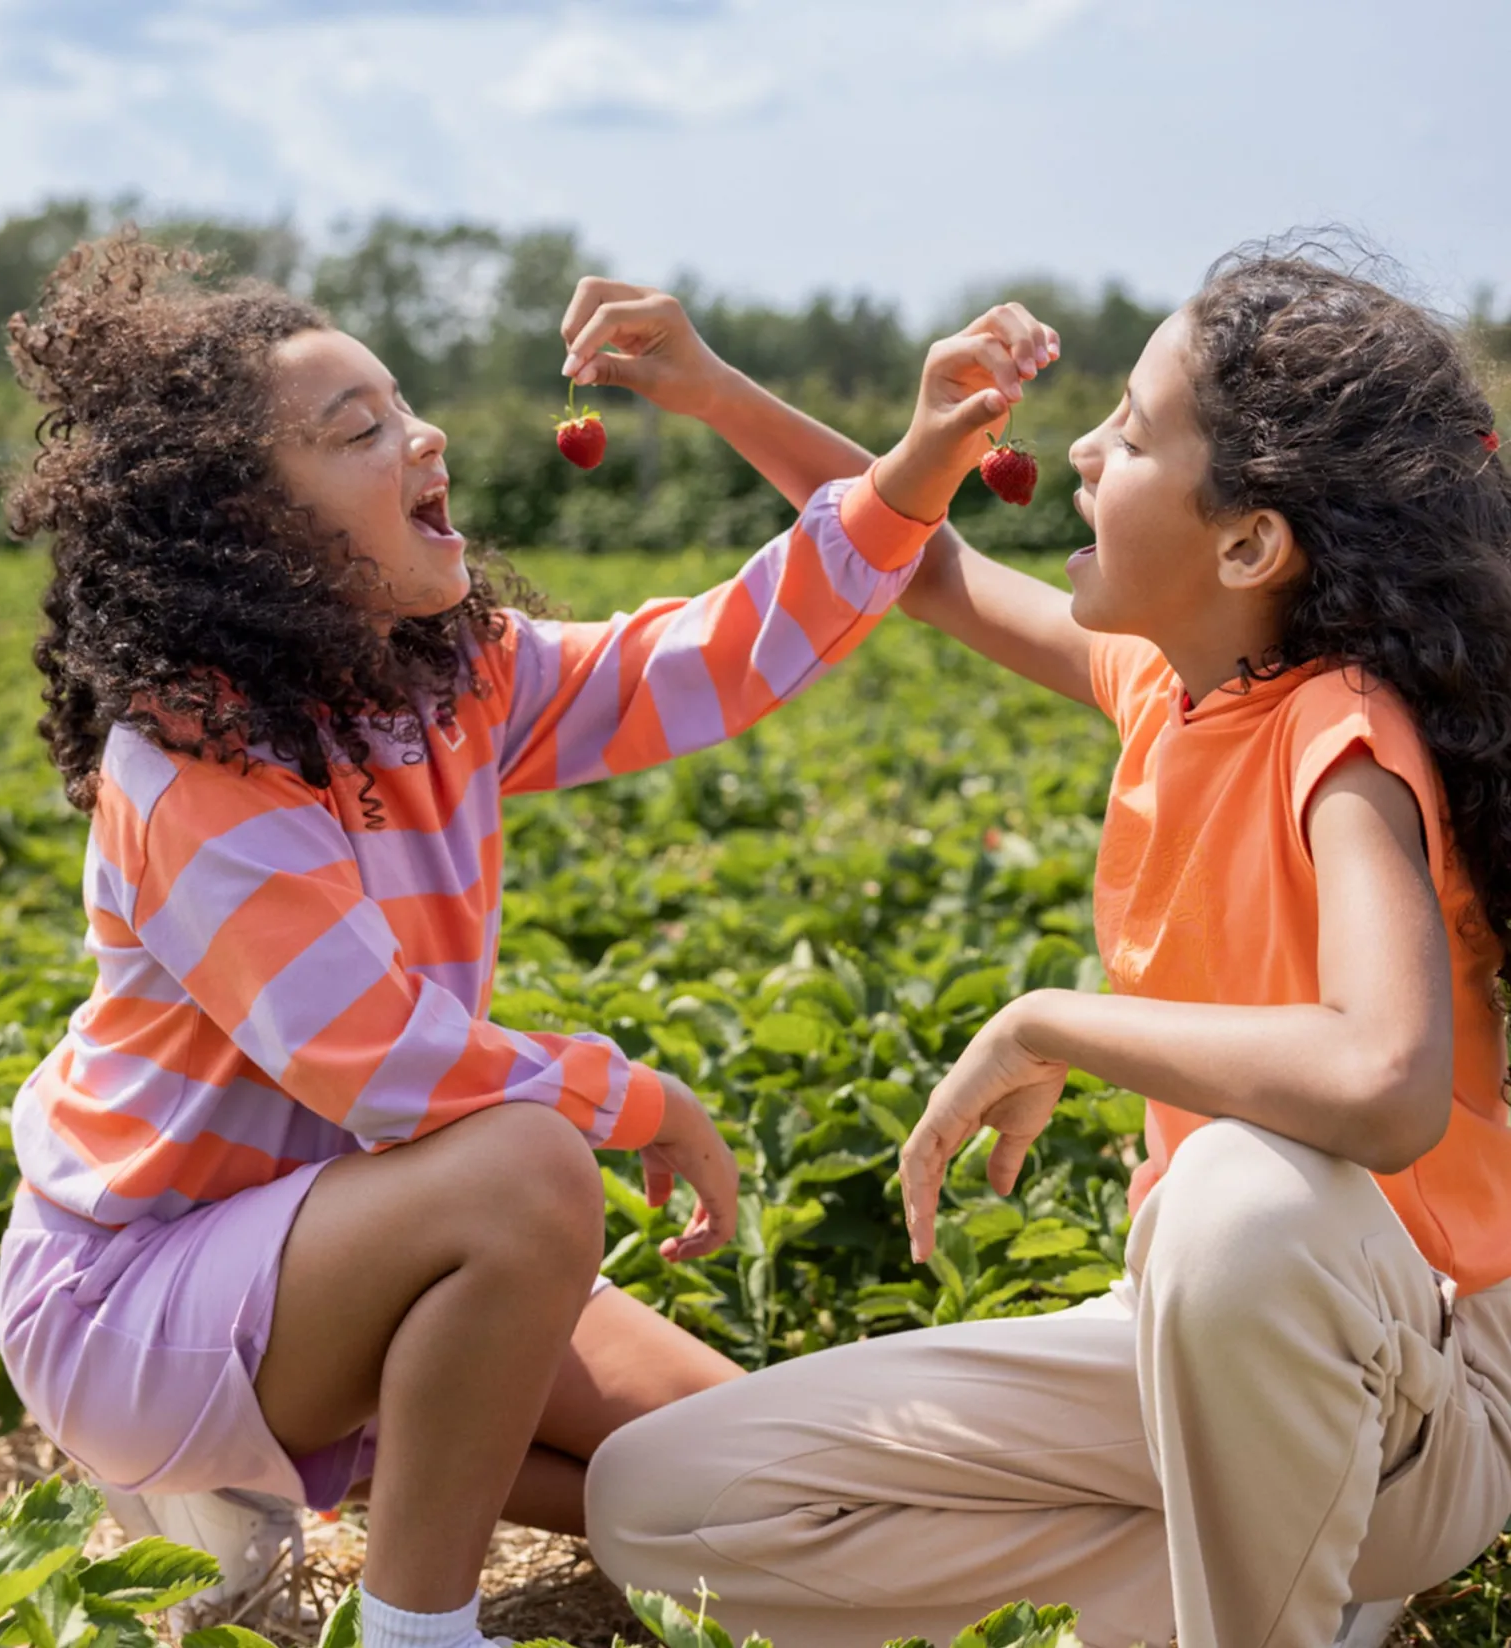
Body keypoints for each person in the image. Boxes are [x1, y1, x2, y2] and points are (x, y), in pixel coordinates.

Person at [0, 233, 1023, 1648]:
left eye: (403, 403)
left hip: (361, 1248)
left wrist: (920, 461)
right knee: (530, 1160)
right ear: (246, 526)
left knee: (738, 1466)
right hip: (137, 1303)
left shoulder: (449, 681)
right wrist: (640, 1098)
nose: (421, 436)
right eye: (358, 430)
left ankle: (346, 1475)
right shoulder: (188, 763)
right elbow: (384, 1065)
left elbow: (706, 658)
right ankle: (420, 1628)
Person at [573, 250, 1511, 1647]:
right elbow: (926, 566)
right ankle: (1267, 1575)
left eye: (1129, 433)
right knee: (663, 1503)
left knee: (1242, 1203)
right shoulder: (1174, 687)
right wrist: (716, 392)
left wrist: (1045, 1023)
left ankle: (1292, 1577)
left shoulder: (1344, 738)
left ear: (1248, 546)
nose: (1076, 450)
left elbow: (1384, 1080)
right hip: (1198, 1348)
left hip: (1414, 1376)